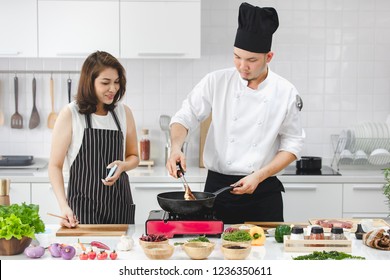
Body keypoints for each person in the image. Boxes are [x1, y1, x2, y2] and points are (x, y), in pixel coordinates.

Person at [166, 3, 305, 224]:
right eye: (237, 57)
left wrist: (258, 176)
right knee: (217, 255)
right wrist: (175, 148)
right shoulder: (216, 81)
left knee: (269, 255)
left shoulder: (285, 92)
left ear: (269, 57)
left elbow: (293, 144)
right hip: (218, 192)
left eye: (251, 60)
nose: (242, 66)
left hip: (263, 192)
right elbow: (185, 116)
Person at [49, 51, 139, 228]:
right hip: (83, 208)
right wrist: (63, 206)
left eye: (116, 82)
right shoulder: (71, 114)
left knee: (123, 254)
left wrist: (123, 166)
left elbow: (134, 156)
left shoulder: (123, 113)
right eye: (105, 83)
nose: (113, 88)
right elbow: (55, 165)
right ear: (89, 82)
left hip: (119, 204)